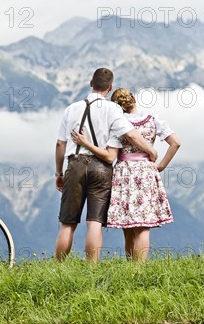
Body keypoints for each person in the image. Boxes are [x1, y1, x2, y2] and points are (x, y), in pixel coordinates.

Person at [54, 69, 158, 263]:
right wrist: (151, 151)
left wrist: (58, 172)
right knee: (94, 222)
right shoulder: (113, 110)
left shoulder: (71, 109)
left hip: (74, 165)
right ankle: (92, 269)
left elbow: (60, 144)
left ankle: (57, 268)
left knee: (67, 224)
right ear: (109, 88)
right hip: (101, 168)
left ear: (90, 83)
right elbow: (132, 135)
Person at [72, 87, 181, 263]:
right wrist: (160, 166)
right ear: (133, 99)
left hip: (124, 172)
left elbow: (109, 153)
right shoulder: (152, 120)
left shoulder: (118, 123)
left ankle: (131, 266)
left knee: (128, 226)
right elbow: (175, 143)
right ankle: (139, 270)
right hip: (146, 171)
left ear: (117, 106)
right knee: (143, 226)